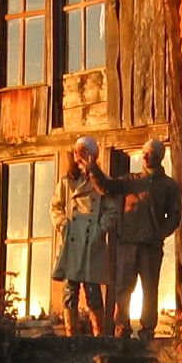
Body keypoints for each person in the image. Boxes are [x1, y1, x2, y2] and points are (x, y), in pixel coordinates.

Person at [93, 137, 182, 340]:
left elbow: (175, 215)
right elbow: (106, 187)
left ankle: (147, 329)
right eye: (143, 152)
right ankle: (121, 327)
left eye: (149, 152)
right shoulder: (130, 181)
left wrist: (161, 233)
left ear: (159, 157)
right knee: (123, 287)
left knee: (150, 289)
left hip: (151, 246)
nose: (145, 156)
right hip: (127, 243)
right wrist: (93, 167)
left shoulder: (169, 186)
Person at [51, 136, 116, 336]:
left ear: (92, 154)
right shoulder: (66, 181)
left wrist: (99, 229)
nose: (79, 155)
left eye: (83, 151)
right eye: (77, 150)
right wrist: (63, 224)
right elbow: (55, 206)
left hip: (91, 243)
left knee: (93, 290)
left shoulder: (102, 182)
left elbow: (111, 211)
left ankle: (100, 335)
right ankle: (72, 335)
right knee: (70, 290)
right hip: (72, 240)